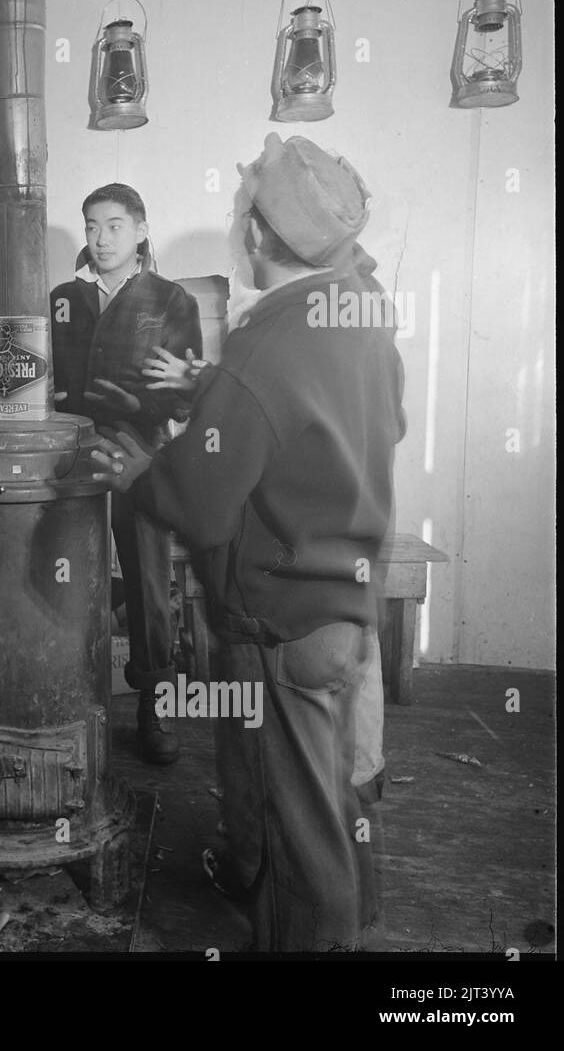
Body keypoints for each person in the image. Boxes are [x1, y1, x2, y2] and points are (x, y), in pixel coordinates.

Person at [90, 133, 405, 951]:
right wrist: (215, 388)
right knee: (332, 793)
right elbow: (358, 421)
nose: (237, 227)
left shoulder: (265, 342)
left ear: (261, 234)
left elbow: (199, 503)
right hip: (344, 601)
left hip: (280, 621)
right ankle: (346, 916)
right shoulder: (361, 316)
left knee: (299, 832)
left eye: (239, 214)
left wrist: (141, 473)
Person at [50, 183, 202, 764]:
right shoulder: (64, 298)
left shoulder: (170, 299)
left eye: (114, 225)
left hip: (140, 456)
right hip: (71, 454)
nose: (101, 238)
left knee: (148, 582)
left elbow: (185, 396)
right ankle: (67, 696)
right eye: (91, 226)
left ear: (140, 231)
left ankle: (155, 704)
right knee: (63, 573)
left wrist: (140, 407)